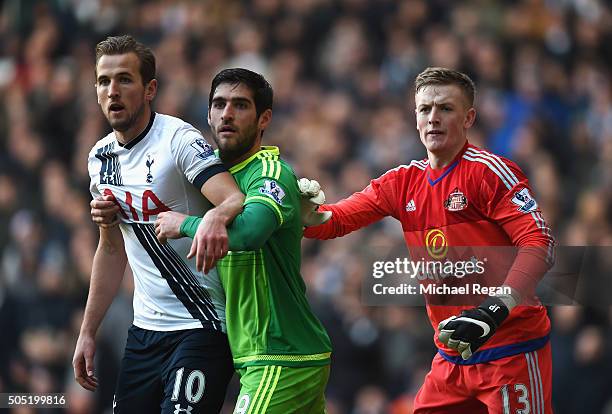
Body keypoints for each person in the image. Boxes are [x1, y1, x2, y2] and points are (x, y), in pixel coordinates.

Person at [300, 67, 555, 413]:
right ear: (415, 117)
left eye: (446, 109)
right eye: (425, 109)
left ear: (469, 118)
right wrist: (301, 215)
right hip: (453, 356)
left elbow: (539, 242)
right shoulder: (402, 181)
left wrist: (495, 309)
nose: (433, 118)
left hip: (510, 350)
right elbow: (335, 220)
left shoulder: (488, 172)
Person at [72, 35, 243, 413]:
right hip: (145, 332)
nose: (113, 91)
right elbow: (112, 249)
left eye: (124, 79)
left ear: (150, 89)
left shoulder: (178, 140)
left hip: (201, 325)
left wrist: (211, 216)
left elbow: (233, 199)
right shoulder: (99, 159)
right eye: (103, 81)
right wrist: (87, 331)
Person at [154, 68, 332, 413]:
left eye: (240, 105)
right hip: (265, 354)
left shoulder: (269, 172)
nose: (227, 114)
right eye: (219, 104)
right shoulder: (212, 176)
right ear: (208, 114)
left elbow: (249, 233)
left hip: (281, 356)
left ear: (263, 118)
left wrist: (187, 224)